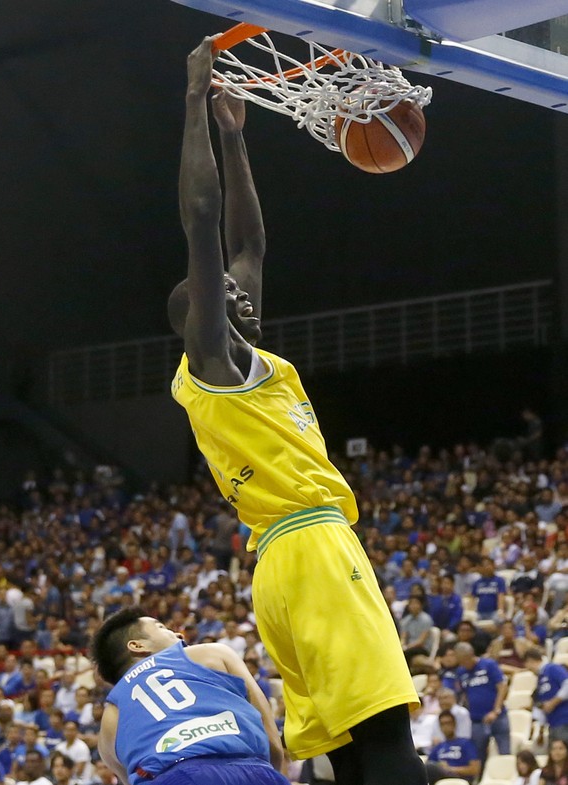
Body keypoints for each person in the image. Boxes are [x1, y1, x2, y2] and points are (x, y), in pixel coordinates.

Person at [166, 36, 422, 785]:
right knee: (386, 741)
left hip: (278, 564)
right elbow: (206, 226)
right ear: (198, 318)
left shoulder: (246, 360)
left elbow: (250, 241)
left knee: (350, 756)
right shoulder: (211, 358)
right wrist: (193, 103)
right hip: (311, 548)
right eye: (221, 292)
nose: (240, 290)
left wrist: (237, 136)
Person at [91, 606, 289, 785]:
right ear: (138, 646)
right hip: (245, 766)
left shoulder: (109, 722)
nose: (178, 634)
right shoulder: (210, 653)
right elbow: (271, 740)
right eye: (162, 628)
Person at [454, 641, 510, 765]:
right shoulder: (461, 672)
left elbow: (502, 686)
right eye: (460, 661)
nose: (463, 664)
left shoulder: (488, 665)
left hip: (498, 717)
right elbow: (463, 694)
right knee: (478, 756)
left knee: (504, 752)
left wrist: (496, 710)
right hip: (477, 721)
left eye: (464, 660)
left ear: (471, 655)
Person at [425, 710, 480, 784]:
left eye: (448, 723)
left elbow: (475, 769)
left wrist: (450, 769)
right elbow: (427, 765)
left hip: (459, 778)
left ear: (454, 724)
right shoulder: (439, 746)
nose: (446, 726)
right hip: (439, 777)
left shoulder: (465, 743)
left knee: (430, 767)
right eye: (442, 724)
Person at [525, 648, 568, 743]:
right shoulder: (540, 679)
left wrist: (553, 702)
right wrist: (541, 731)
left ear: (530, 661)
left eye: (527, 664)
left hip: (564, 721)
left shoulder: (552, 668)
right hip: (553, 724)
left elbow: (567, 684)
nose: (529, 669)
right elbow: (541, 706)